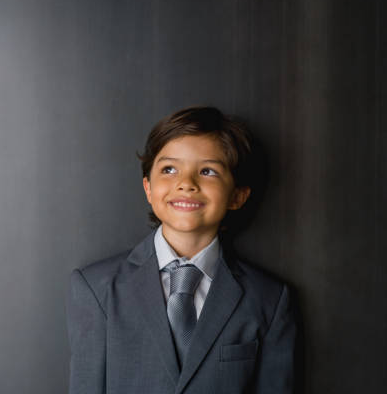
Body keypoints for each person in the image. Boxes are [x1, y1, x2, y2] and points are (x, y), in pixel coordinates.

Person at [66, 106, 298, 393]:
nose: (186, 184)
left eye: (208, 171)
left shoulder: (269, 300)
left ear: (237, 195)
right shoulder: (96, 289)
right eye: (170, 169)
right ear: (148, 188)